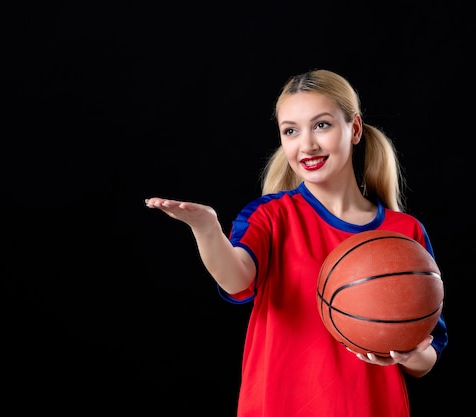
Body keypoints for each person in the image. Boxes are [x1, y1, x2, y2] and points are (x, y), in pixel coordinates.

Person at [144, 69, 448, 417]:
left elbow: (427, 357)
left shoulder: (405, 231)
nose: (307, 145)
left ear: (355, 129)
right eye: (291, 131)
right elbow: (237, 279)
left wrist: (410, 354)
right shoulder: (270, 216)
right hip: (279, 406)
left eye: (322, 125)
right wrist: (207, 228)